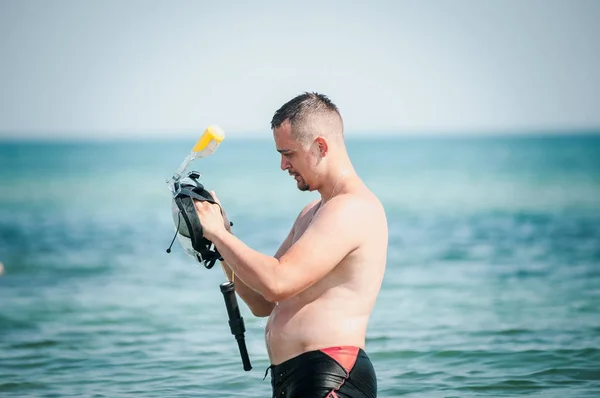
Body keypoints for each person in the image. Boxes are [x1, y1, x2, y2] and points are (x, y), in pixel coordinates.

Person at [195, 92, 388, 397]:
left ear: (320, 146)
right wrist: (218, 241)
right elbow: (262, 301)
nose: (283, 165)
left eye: (289, 153)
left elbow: (277, 282)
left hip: (331, 376)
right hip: (292, 379)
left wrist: (220, 233)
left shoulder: (351, 208)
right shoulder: (312, 212)